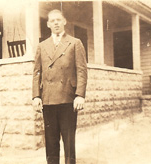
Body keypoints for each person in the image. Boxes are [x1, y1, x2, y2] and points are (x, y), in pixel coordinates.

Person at [32, 9, 87, 164]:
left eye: (58, 20)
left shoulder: (75, 43)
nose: (56, 23)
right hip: (48, 99)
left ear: (64, 22)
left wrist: (80, 95)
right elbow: (36, 72)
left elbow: (82, 70)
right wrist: (36, 96)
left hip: (68, 98)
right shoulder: (42, 46)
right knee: (51, 142)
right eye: (52, 21)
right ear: (48, 24)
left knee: (69, 142)